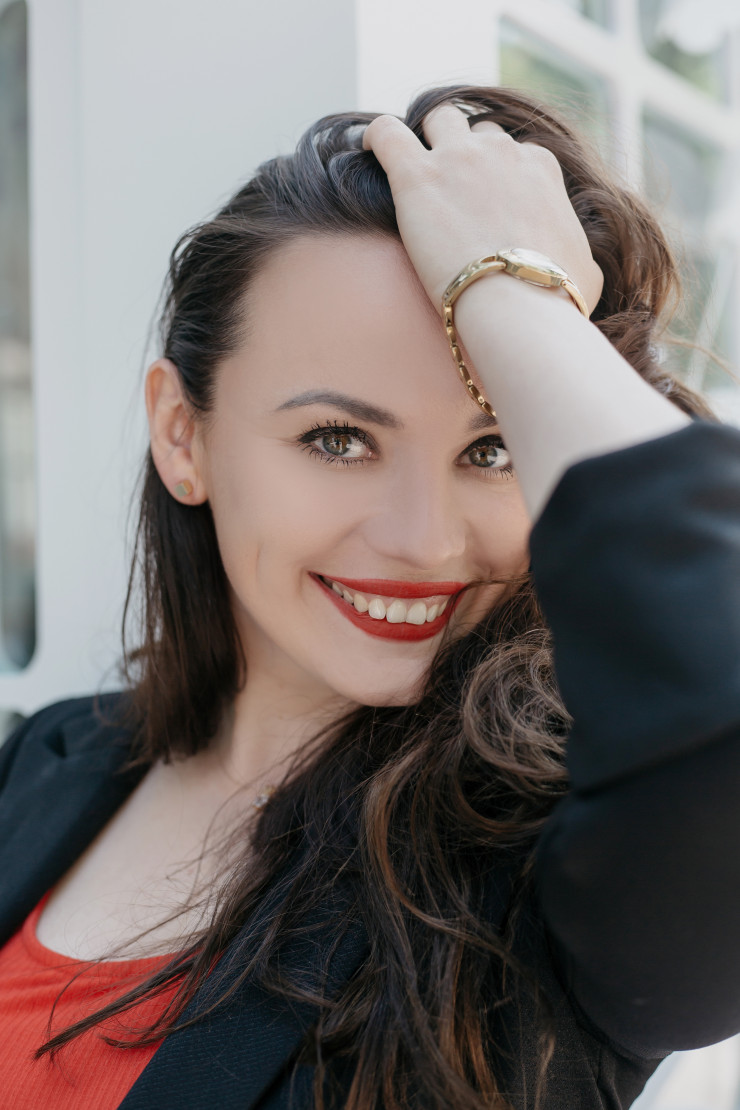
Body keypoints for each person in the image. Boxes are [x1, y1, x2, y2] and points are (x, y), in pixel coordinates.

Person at [0, 82, 738, 1110]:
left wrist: (515, 295)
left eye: (493, 448)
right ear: (183, 435)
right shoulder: (43, 760)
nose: (423, 540)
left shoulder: (561, 888)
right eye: (338, 440)